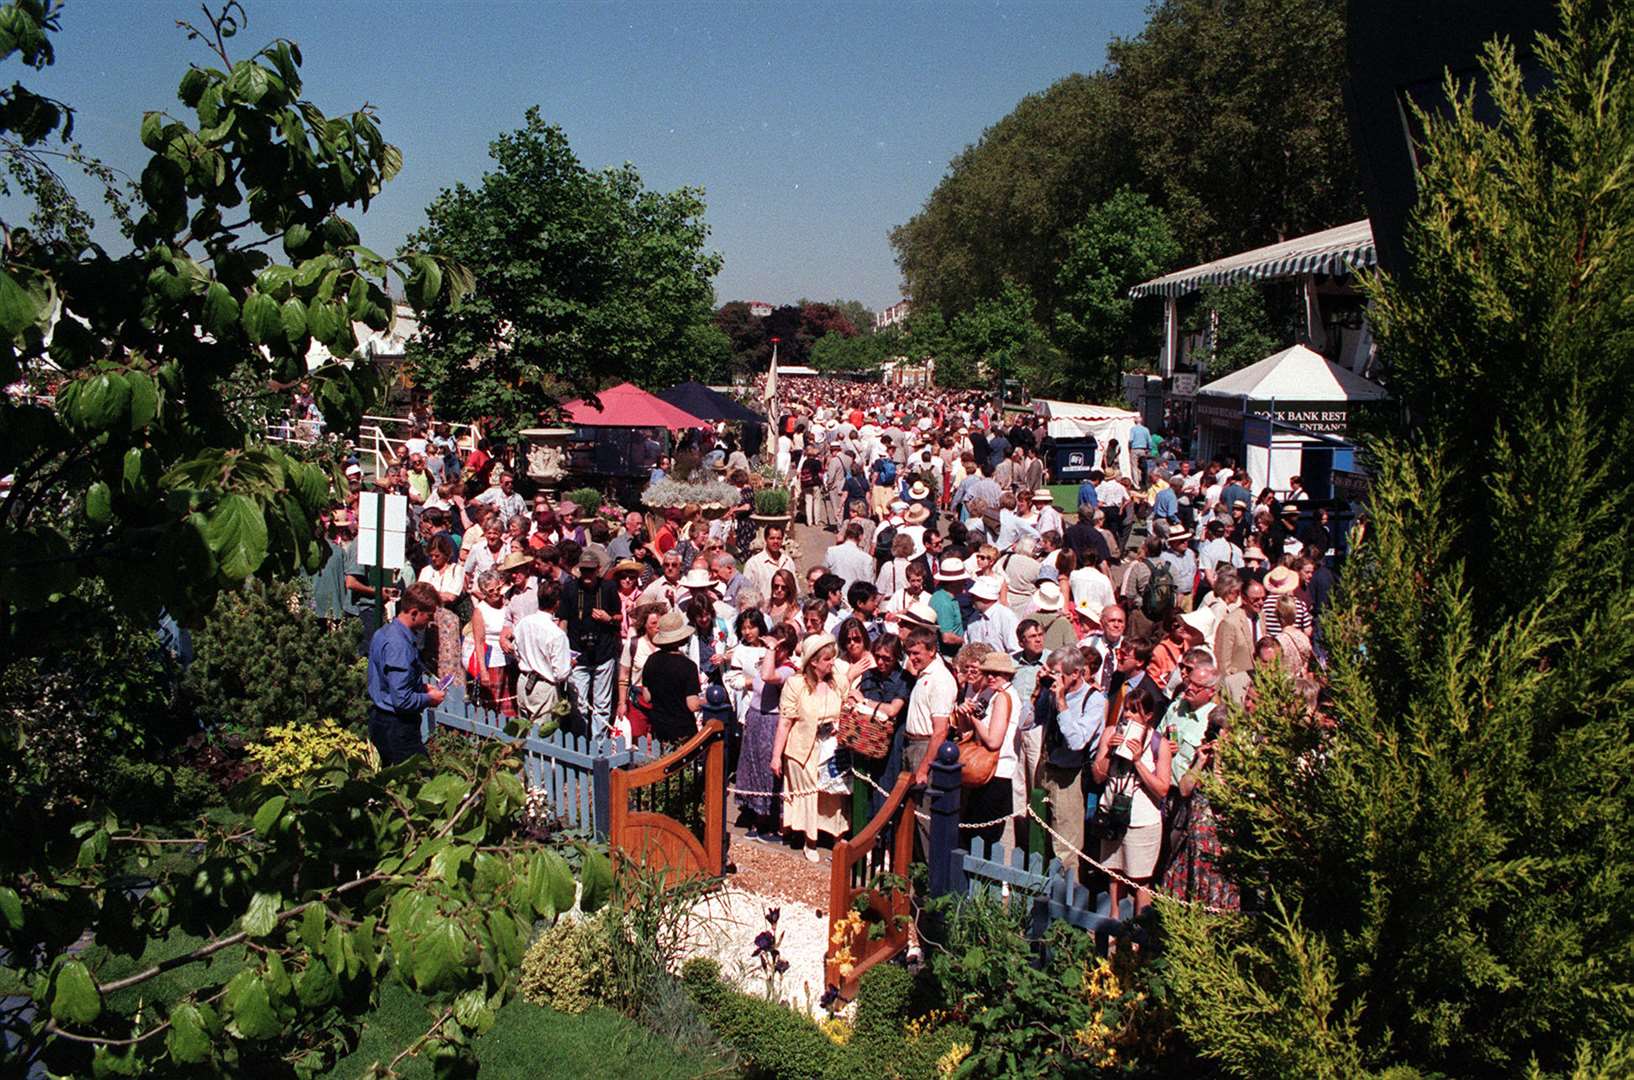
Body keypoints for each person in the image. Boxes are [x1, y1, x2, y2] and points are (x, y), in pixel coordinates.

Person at [1090, 680, 1172, 919]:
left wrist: (1138, 762)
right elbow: (1098, 775)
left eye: (1134, 710)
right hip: (1112, 812)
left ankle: (1139, 933)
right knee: (1114, 874)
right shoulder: (1110, 733)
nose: (1127, 714)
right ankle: (1113, 925)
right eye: (1126, 708)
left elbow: (1162, 789)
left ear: (1147, 715)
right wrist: (1107, 750)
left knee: (1139, 879)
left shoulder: (1160, 744)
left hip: (1142, 820)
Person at [772, 634, 849, 860]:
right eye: (826, 659)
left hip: (832, 747)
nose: (832, 663)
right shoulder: (796, 684)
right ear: (813, 662)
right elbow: (785, 721)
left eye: (833, 658)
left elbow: (847, 706)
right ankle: (810, 841)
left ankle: (837, 838)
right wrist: (776, 756)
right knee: (810, 793)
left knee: (834, 793)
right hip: (802, 749)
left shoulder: (840, 681)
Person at [1039, 646, 1103, 884]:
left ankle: (1067, 898)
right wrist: (1039, 691)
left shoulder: (1093, 700)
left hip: (1071, 775)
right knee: (1043, 837)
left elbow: (1076, 741)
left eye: (1057, 673)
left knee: (1066, 845)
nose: (1053, 678)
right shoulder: (1051, 691)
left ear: (1076, 673)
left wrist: (1062, 703)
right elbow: (1027, 723)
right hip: (1047, 768)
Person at [366, 582, 446, 766]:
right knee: (423, 783)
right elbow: (401, 699)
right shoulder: (399, 645)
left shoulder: (384, 632)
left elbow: (390, 682)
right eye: (429, 615)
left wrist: (421, 687)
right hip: (397, 727)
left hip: (380, 720)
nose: (430, 621)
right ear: (414, 612)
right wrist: (429, 698)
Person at [737, 623, 797, 840]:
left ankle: (772, 822)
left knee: (767, 771)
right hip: (755, 718)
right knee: (752, 768)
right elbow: (758, 682)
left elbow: (768, 677)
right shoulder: (768, 661)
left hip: (771, 722)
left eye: (776, 647)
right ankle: (756, 816)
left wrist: (771, 650)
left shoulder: (788, 669)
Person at [959, 651, 1020, 846]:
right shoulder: (998, 695)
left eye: (997, 673)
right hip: (995, 773)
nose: (991, 677)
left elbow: (993, 741)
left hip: (996, 773)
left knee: (982, 838)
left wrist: (975, 718)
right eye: (988, 673)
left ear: (1008, 675)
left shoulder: (1003, 697)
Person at [848, 634, 910, 816]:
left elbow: (892, 710)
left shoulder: (904, 679)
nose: (881, 662)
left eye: (887, 658)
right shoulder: (869, 675)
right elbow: (853, 696)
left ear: (897, 657)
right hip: (866, 742)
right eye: (878, 657)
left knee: (885, 791)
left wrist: (865, 701)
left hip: (891, 746)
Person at [512, 577, 572, 731]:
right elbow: (561, 673)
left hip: (523, 680)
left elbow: (516, 650)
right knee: (544, 735)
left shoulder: (523, 623)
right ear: (557, 603)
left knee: (523, 731)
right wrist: (570, 664)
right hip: (544, 687)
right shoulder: (556, 634)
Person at [640, 611, 703, 746]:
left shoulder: (651, 660)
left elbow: (647, 697)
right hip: (683, 729)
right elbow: (692, 705)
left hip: (659, 727)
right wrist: (706, 701)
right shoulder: (688, 666)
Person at [416, 534, 465, 681]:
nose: (434, 559)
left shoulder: (457, 570)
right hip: (428, 621)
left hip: (449, 621)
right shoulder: (426, 571)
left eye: (437, 555)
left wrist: (431, 594)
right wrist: (437, 595)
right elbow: (419, 595)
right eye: (431, 556)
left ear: (446, 554)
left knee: (448, 659)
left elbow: (452, 596)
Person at [467, 570, 511, 713]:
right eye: (491, 590)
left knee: (509, 704)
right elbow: (479, 643)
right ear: (484, 591)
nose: (496, 593)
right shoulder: (480, 611)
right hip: (492, 663)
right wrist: (483, 671)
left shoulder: (507, 604)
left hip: (510, 661)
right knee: (493, 707)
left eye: (498, 588)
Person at [744, 524, 799, 601]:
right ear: (766, 539)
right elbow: (746, 593)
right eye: (772, 538)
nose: (775, 541)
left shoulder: (788, 561)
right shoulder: (753, 564)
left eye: (779, 538)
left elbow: (795, 589)